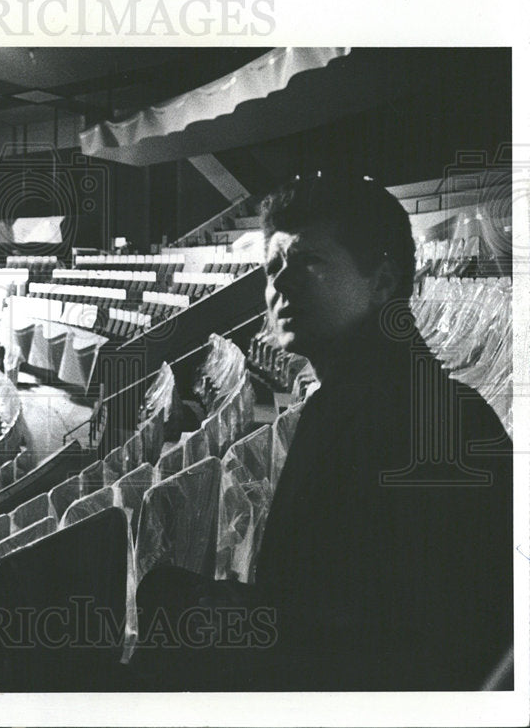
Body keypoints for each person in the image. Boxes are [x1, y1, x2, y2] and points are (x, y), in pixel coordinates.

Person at [136, 171, 512, 691]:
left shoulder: (429, 425)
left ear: (382, 281)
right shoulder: (366, 398)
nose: (279, 285)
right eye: (273, 268)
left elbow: (391, 652)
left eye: (309, 262)